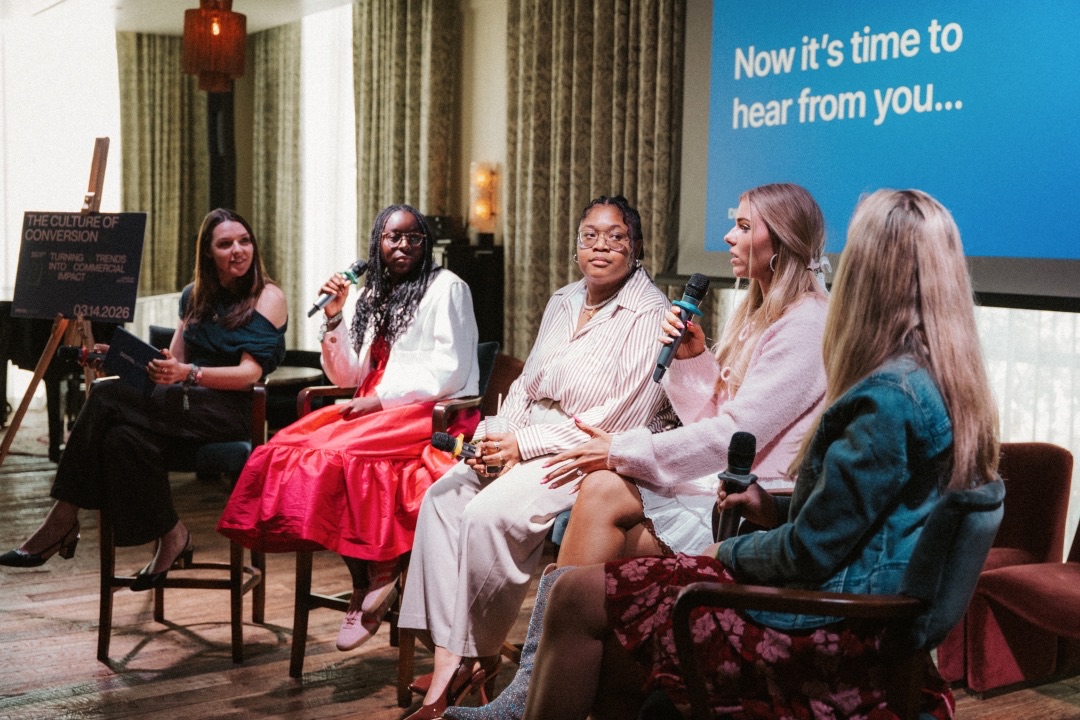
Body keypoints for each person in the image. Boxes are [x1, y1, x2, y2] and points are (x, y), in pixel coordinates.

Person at [518, 188, 1002, 720]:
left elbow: (808, 552)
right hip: (825, 588)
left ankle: (534, 690)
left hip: (820, 619)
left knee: (577, 596)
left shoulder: (886, 398)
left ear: (871, 273)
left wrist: (722, 554)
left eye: (745, 226)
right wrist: (770, 507)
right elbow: (847, 514)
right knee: (596, 584)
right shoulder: (930, 380)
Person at [442, 182, 831, 720]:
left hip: (758, 507)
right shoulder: (760, 311)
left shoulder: (806, 323)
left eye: (743, 226)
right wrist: (692, 359)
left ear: (782, 242)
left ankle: (534, 690)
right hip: (721, 487)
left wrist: (622, 449)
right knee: (600, 495)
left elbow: (734, 437)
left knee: (599, 516)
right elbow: (716, 417)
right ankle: (542, 688)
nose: (727, 236)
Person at [396, 195, 676, 720]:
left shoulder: (652, 314)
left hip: (590, 451)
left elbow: (620, 418)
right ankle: (453, 659)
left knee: (487, 514)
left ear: (637, 248)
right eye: (589, 235)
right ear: (576, 244)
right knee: (442, 499)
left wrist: (523, 447)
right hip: (528, 434)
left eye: (616, 237)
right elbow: (526, 385)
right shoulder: (564, 299)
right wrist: (496, 436)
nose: (600, 246)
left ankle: (466, 664)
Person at [217, 204, 480, 652]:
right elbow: (347, 375)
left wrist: (382, 399)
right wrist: (335, 317)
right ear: (378, 242)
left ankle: (379, 570)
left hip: (426, 408)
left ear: (426, 243)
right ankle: (366, 576)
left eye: (413, 237)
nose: (403, 245)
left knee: (338, 457)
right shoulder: (372, 293)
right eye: (393, 237)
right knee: (285, 447)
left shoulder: (448, 288)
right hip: (372, 405)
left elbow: (451, 370)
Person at [0, 208, 288, 592]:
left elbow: (249, 374)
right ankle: (173, 534)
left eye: (244, 240)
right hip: (186, 405)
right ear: (207, 252)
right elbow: (172, 361)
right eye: (225, 244)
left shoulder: (268, 296)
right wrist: (121, 357)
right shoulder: (194, 295)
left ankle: (62, 519)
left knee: (104, 394)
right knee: (120, 438)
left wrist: (188, 374)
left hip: (229, 411)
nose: (238, 250)